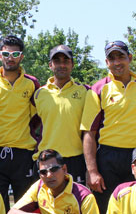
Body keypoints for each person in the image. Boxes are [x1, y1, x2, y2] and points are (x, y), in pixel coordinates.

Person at [81, 41, 136, 214]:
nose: (117, 62)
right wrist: (92, 171)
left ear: (129, 58)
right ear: (107, 63)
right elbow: (89, 132)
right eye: (112, 58)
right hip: (107, 157)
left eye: (121, 56)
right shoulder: (98, 89)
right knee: (106, 212)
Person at [0, 35, 40, 211]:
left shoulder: (32, 83)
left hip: (24, 154)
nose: (10, 58)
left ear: (21, 57)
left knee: (25, 207)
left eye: (15, 54)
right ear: (0, 56)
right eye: (6, 54)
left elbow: (39, 116)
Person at [33, 45, 92, 184]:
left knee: (75, 203)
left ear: (72, 64)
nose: (62, 65)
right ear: (50, 65)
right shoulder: (39, 94)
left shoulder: (86, 92)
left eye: (66, 61)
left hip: (76, 159)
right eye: (57, 61)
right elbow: (31, 124)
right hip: (46, 159)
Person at [7, 149, 100, 214]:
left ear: (64, 169)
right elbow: (11, 213)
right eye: (43, 172)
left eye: (54, 169)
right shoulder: (39, 187)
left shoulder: (83, 196)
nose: (49, 175)